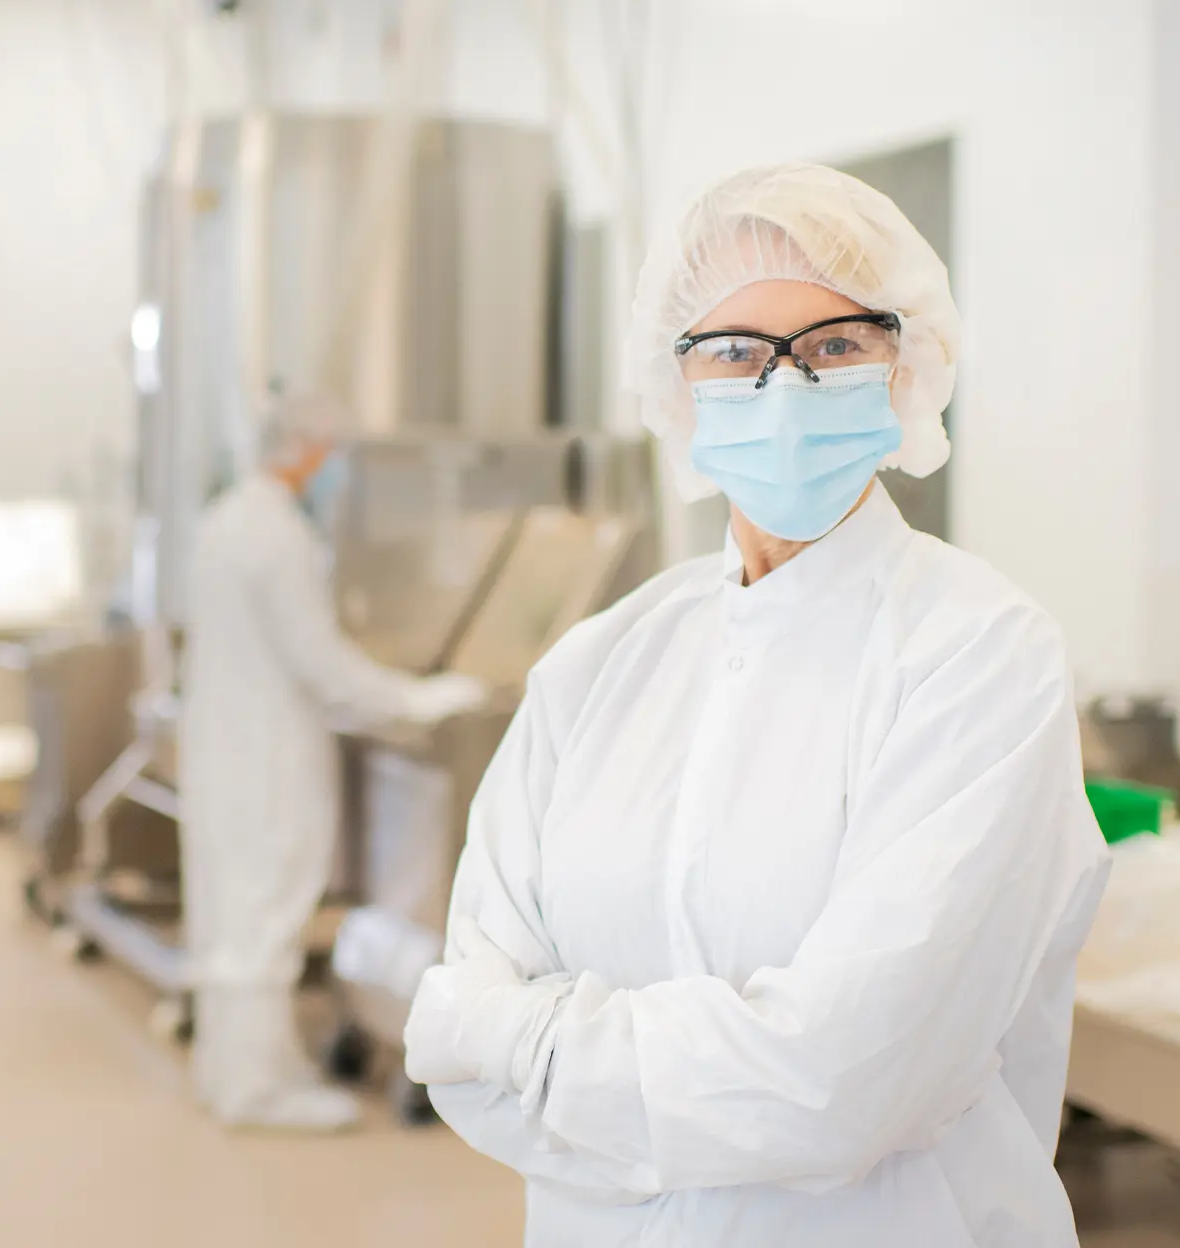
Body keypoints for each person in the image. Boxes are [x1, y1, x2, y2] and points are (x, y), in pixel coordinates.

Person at [402, 163, 1113, 1244]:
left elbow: (838, 1088)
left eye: (832, 346)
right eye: (735, 352)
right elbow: (465, 1067)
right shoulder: (598, 666)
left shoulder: (980, 654)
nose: (783, 389)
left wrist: (524, 1040)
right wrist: (669, 1074)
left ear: (905, 362)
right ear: (676, 387)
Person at [179, 398, 487, 1132]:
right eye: (331, 452)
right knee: (264, 922)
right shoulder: (278, 537)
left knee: (234, 922)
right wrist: (419, 699)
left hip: (229, 750)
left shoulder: (227, 521)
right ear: (303, 451)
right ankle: (258, 1091)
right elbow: (322, 664)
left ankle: (234, 1072)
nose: (335, 468)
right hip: (266, 758)